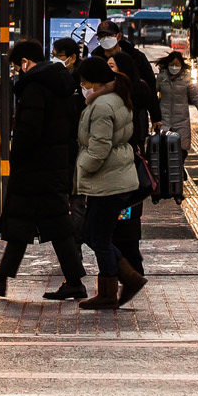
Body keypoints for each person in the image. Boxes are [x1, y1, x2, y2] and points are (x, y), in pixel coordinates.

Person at [0, 40, 89, 301]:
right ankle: (1, 278)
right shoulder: (60, 84)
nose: (17, 71)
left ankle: (74, 281)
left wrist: (16, 158)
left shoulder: (35, 87)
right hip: (53, 164)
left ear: (24, 63)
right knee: (25, 223)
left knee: (53, 225)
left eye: (16, 66)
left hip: (36, 168)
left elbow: (28, 132)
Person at [73, 57, 145, 310]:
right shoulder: (116, 98)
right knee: (92, 234)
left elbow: (99, 147)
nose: (83, 87)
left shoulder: (102, 106)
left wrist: (83, 166)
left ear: (95, 81)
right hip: (114, 178)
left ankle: (113, 289)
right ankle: (125, 278)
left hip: (108, 180)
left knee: (98, 237)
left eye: (84, 83)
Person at [156, 50, 198, 135]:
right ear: (167, 64)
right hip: (164, 121)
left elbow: (195, 98)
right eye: (172, 64)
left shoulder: (186, 79)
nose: (174, 67)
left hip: (182, 122)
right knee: (164, 145)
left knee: (181, 146)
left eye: (177, 65)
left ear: (181, 65)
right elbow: (152, 96)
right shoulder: (161, 78)